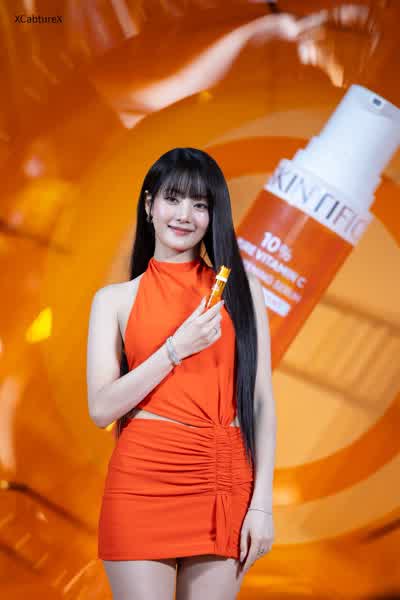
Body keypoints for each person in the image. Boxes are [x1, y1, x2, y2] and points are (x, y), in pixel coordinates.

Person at [86, 147, 276, 599]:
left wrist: (262, 504)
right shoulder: (113, 300)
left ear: (213, 215)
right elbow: (101, 409)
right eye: (173, 199)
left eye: (200, 204)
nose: (184, 215)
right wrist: (174, 350)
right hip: (142, 479)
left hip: (223, 477)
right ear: (149, 204)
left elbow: (261, 401)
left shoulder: (242, 291)